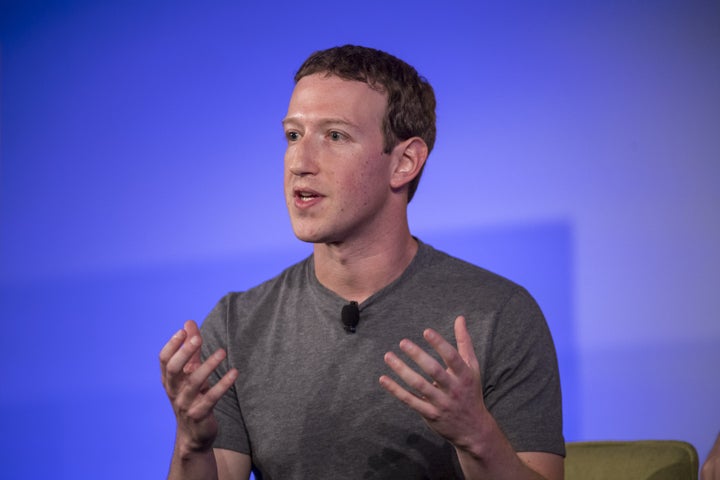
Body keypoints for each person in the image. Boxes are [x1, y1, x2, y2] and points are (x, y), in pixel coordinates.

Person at [160, 44, 565, 479]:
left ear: (404, 162)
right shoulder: (235, 324)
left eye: (334, 136)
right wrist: (191, 444)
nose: (300, 162)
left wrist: (476, 435)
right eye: (293, 136)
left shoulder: (498, 315)